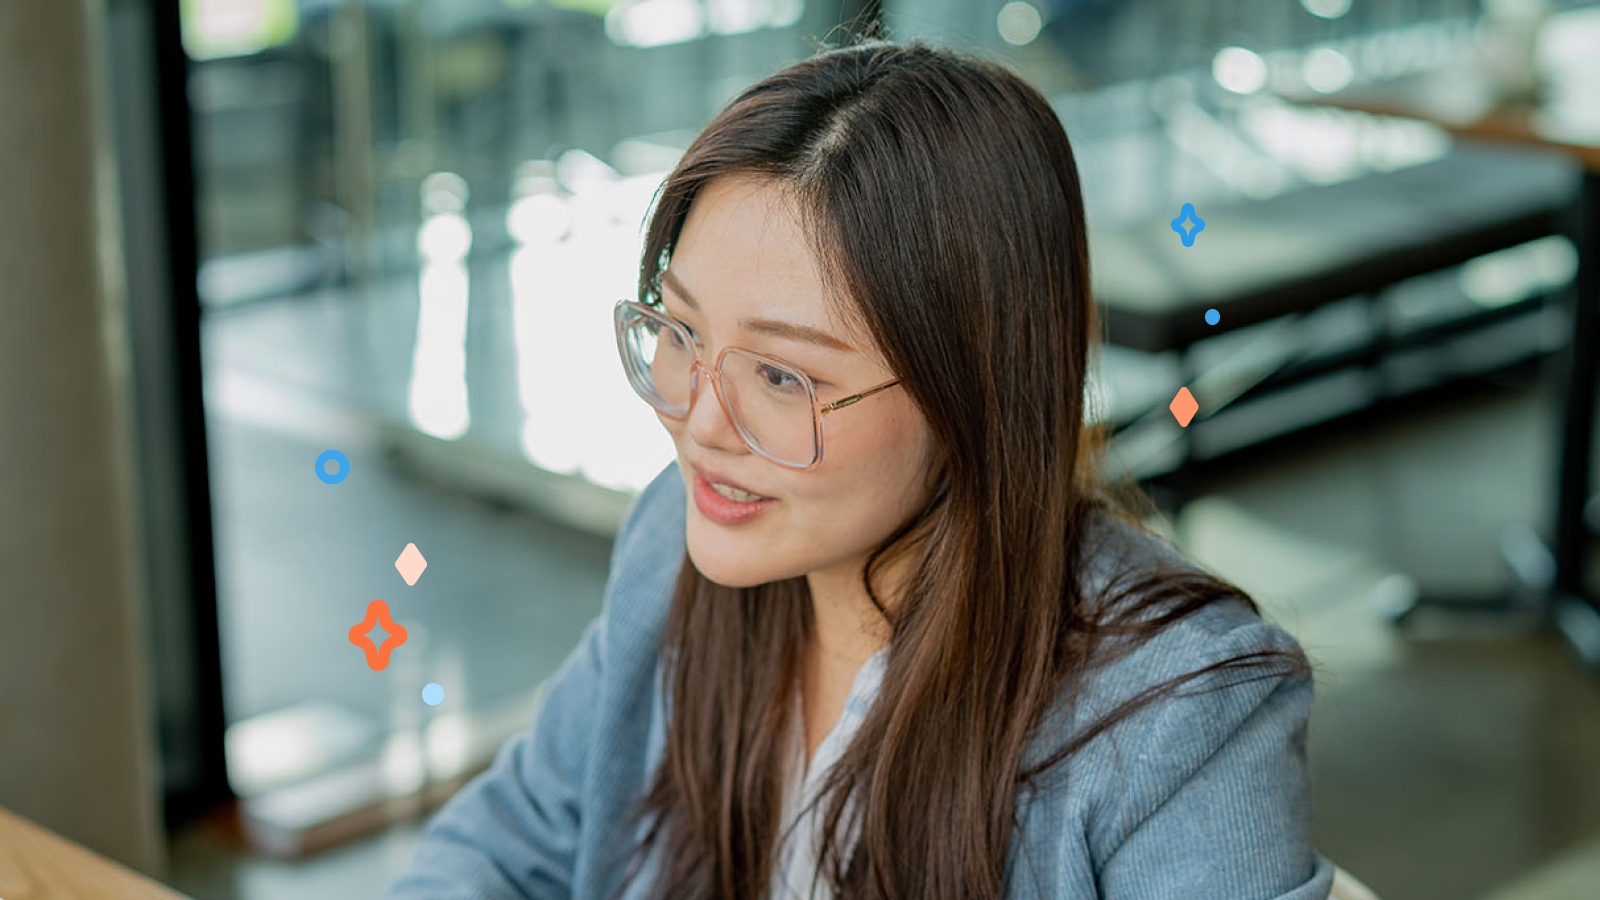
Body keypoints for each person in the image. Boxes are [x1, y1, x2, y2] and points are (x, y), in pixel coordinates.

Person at [385, 38, 1337, 900]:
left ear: (973, 390)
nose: (699, 423)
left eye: (781, 374)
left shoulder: (1185, 713)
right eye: (681, 330)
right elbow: (504, 845)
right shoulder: (672, 546)